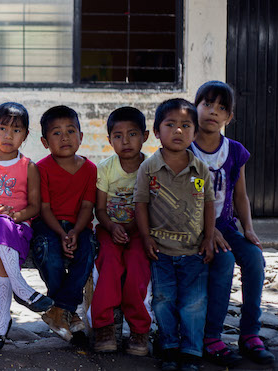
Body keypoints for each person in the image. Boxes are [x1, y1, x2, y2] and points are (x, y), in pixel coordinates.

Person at [191, 81, 275, 366]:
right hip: (193, 228)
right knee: (224, 261)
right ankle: (211, 336)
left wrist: (248, 229)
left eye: (222, 107)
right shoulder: (186, 150)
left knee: (254, 258)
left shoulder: (235, 151)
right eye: (207, 104)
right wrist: (207, 229)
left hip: (225, 227)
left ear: (229, 117)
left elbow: (240, 196)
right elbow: (185, 199)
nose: (213, 111)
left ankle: (250, 334)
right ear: (195, 107)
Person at [134, 98, 215, 371]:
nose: (178, 131)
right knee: (163, 300)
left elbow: (208, 203)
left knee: (194, 303)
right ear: (157, 131)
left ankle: (191, 350)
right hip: (161, 251)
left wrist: (209, 237)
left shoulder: (200, 170)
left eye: (185, 125)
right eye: (171, 125)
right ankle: (168, 346)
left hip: (194, 252)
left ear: (195, 132)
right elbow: (141, 204)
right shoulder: (149, 169)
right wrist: (146, 238)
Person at [0, 103, 53, 354]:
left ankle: (2, 320)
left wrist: (15, 215)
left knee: (2, 248)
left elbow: (35, 206)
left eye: (16, 130)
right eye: (2, 128)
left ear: (26, 135)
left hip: (19, 227)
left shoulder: (28, 166)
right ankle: (22, 289)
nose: (8, 135)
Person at [30, 105, 97, 342]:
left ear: (81, 136)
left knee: (88, 251)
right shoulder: (41, 168)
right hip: (48, 225)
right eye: (56, 133)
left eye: (70, 131)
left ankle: (60, 310)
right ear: (45, 141)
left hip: (79, 226)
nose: (65, 137)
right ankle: (67, 311)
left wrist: (76, 232)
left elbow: (88, 206)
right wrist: (61, 233)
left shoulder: (90, 169)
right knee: (48, 251)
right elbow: (44, 208)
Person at [90, 107, 151, 355]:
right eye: (118, 136)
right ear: (109, 140)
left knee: (137, 265)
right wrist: (113, 226)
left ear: (145, 136)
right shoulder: (105, 169)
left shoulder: (151, 168)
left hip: (141, 231)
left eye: (132, 134)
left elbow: (151, 207)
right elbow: (100, 209)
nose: (125, 141)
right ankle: (104, 326)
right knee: (109, 264)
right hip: (109, 229)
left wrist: (133, 227)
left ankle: (139, 330)